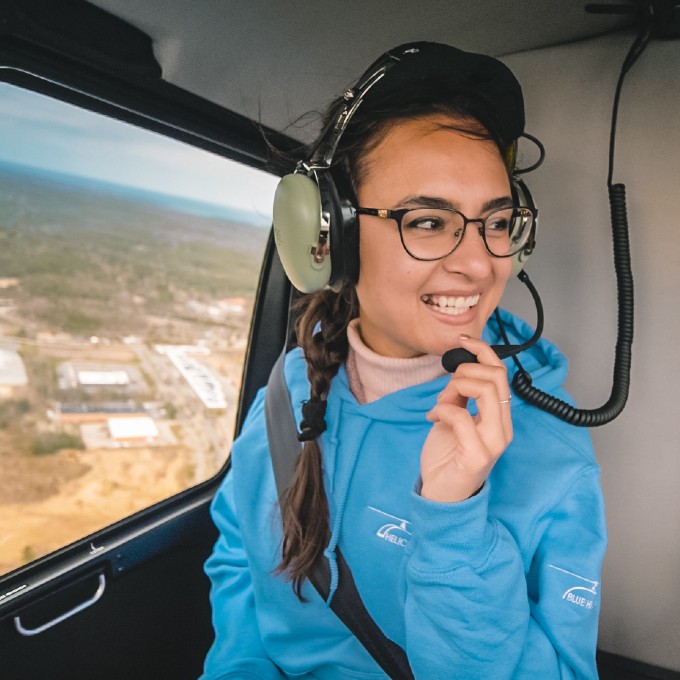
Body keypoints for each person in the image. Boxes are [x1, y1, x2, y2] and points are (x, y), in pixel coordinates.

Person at [201, 42, 606, 680]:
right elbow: (240, 552)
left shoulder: (547, 448)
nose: (479, 263)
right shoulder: (290, 386)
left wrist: (454, 524)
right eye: (426, 221)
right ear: (330, 236)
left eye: (496, 223)